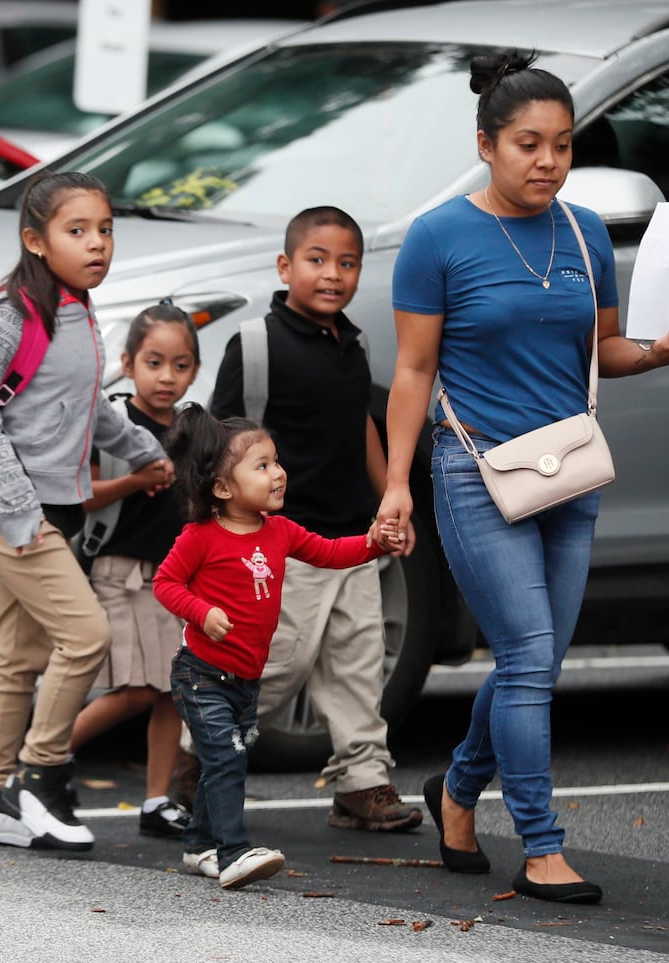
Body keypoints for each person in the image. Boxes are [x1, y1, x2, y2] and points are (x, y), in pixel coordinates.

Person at [375, 52, 669, 903]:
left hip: (571, 470)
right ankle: (541, 842)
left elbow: (607, 350)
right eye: (527, 144)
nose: (547, 161)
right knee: (525, 654)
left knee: (537, 663)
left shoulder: (585, 230)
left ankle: (454, 789)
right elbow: (412, 372)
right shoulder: (439, 235)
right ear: (486, 144)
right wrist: (397, 484)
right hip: (475, 468)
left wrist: (659, 353)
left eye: (561, 144)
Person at [0, 172, 173, 853]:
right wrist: (19, 499)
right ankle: (39, 776)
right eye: (76, 231)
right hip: (6, 513)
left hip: (51, 512)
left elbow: (83, 409)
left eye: (104, 229)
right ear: (35, 241)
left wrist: (143, 450)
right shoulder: (12, 316)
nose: (96, 243)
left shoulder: (79, 314)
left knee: (17, 660)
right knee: (85, 636)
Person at [194, 205, 421, 833]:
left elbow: (362, 430)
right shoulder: (257, 346)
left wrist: (390, 500)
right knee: (276, 665)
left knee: (358, 661)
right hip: (283, 544)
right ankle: (199, 758)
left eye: (347, 263)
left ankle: (361, 781)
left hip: (353, 538)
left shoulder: (355, 343)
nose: (333, 275)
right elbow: (220, 444)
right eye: (318, 261)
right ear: (285, 266)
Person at [152, 405, 403, 890]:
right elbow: (165, 583)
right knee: (227, 759)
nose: (279, 473)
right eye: (262, 466)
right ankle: (232, 852)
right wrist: (202, 612)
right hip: (201, 675)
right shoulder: (200, 538)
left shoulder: (280, 532)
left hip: (245, 681)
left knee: (220, 760)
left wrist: (372, 543)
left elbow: (330, 553)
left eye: (276, 461)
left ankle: (198, 845)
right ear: (223, 489)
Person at [69, 302, 201, 839]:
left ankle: (156, 801)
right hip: (118, 572)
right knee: (133, 690)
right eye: (153, 362)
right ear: (127, 362)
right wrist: (134, 480)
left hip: (171, 578)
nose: (166, 377)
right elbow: (83, 495)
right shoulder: (114, 421)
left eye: (180, 364)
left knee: (171, 689)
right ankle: (39, 760)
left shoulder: (196, 428)